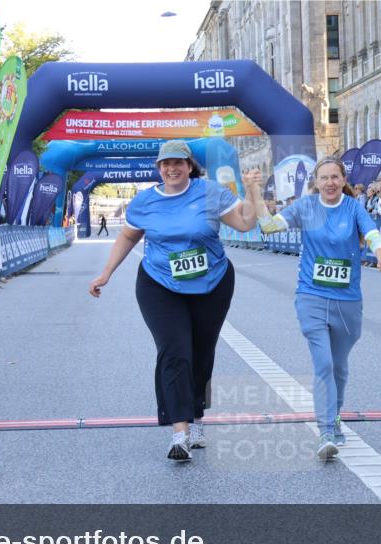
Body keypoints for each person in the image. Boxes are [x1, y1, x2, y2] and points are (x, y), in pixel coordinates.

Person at [88, 140, 264, 462]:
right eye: (165, 164)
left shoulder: (210, 193)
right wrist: (106, 273)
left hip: (212, 283)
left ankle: (197, 417)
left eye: (178, 163)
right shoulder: (145, 202)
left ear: (189, 166)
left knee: (201, 353)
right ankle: (179, 432)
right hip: (159, 284)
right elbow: (128, 236)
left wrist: (253, 192)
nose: (171, 169)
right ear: (158, 168)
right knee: (174, 352)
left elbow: (245, 223)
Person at [257, 156, 381, 460]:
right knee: (324, 364)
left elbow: (372, 233)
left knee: (340, 366)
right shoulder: (305, 207)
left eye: (335, 177)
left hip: (347, 301)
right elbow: (268, 226)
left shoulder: (354, 207)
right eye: (324, 178)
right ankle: (326, 430)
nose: (329, 182)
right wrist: (254, 192)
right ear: (316, 182)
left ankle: (335, 414)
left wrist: (380, 255)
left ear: (343, 179)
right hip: (311, 296)